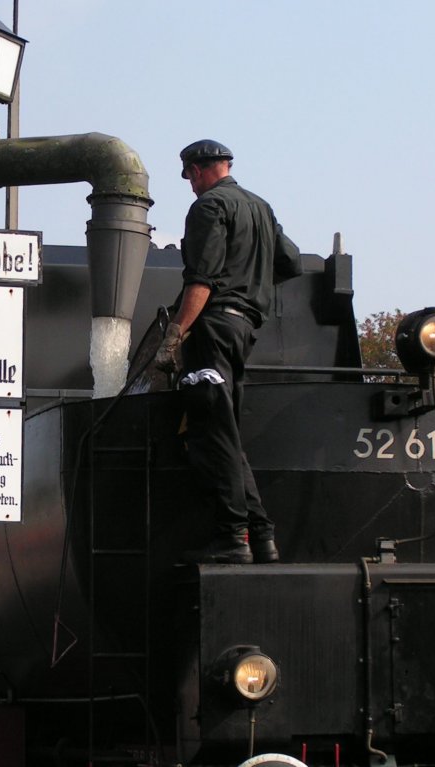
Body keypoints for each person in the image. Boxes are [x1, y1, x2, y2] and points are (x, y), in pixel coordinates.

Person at [156, 139, 301, 564]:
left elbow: (200, 279)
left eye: (190, 178)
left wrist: (176, 333)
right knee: (228, 433)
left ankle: (232, 538)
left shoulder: (208, 207)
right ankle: (262, 536)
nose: (191, 186)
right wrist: (249, 275)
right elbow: (291, 262)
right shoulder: (260, 207)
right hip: (246, 328)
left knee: (209, 436)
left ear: (198, 171)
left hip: (215, 326)